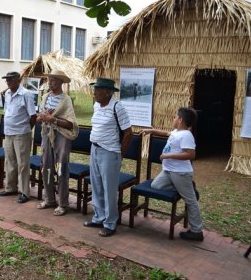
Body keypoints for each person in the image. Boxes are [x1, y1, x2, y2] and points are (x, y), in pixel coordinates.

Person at [140, 107, 204, 241]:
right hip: (168, 171)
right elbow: (166, 134)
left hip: (180, 173)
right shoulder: (177, 131)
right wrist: (151, 130)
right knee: (156, 185)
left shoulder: (186, 135)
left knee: (190, 201)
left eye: (175, 116)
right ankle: (187, 188)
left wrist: (169, 155)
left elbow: (190, 154)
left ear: (180, 120)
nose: (174, 118)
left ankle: (197, 231)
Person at [84, 77, 132, 237]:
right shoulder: (97, 105)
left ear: (107, 92)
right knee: (96, 185)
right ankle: (99, 217)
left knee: (109, 189)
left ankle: (110, 223)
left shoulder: (117, 107)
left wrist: (119, 155)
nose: (95, 93)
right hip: (95, 149)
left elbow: (128, 133)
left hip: (110, 152)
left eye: (97, 90)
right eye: (95, 89)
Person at [36, 70, 79, 216]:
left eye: (53, 80)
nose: (50, 82)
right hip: (47, 135)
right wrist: (41, 117)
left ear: (61, 82)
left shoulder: (65, 100)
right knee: (46, 167)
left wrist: (52, 119)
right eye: (49, 80)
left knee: (61, 169)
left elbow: (70, 124)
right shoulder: (46, 97)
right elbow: (42, 114)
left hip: (61, 137)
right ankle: (49, 199)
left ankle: (63, 203)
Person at [0, 71, 37, 204]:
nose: (7, 82)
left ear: (17, 80)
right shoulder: (7, 94)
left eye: (10, 79)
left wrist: (25, 129)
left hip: (22, 133)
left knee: (22, 164)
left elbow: (33, 116)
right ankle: (10, 188)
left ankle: (24, 192)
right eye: (6, 79)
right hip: (8, 132)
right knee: (10, 161)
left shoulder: (26, 94)